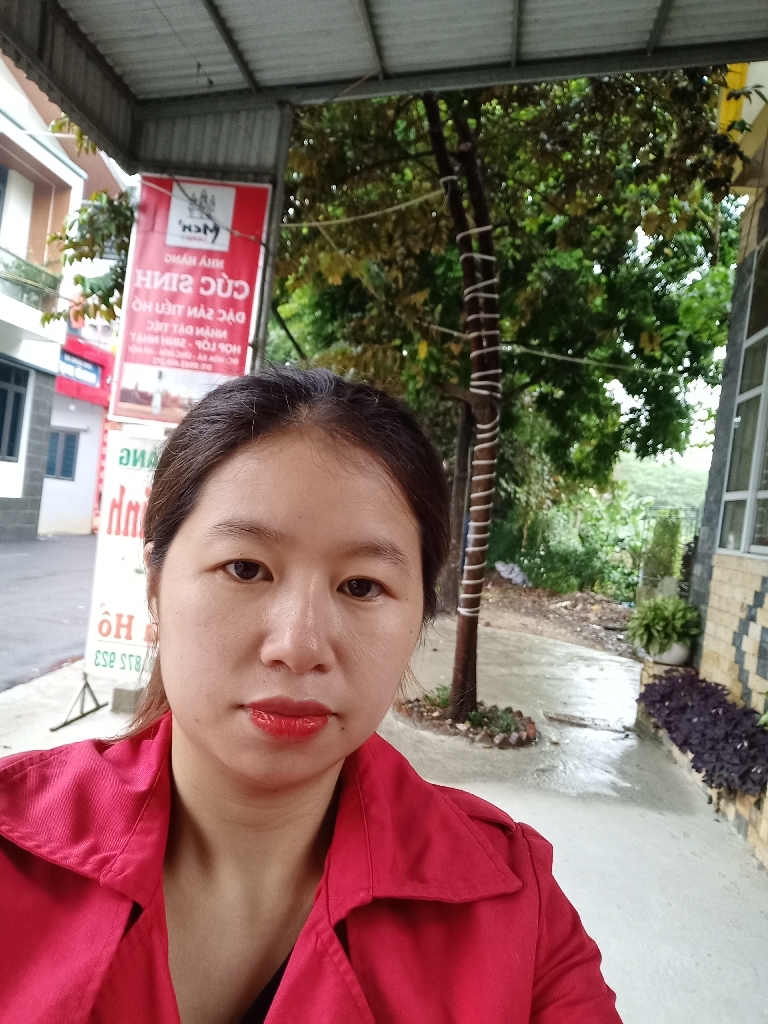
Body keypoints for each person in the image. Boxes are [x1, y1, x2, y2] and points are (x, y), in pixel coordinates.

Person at [0, 367, 622, 1024]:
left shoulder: (517, 912)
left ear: (418, 617)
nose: (298, 646)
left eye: (362, 586)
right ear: (155, 586)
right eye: (245, 569)